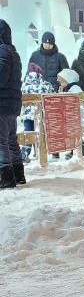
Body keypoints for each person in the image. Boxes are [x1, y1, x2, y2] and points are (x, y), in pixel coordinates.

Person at [0, 19, 24, 188]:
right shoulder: (13, 52)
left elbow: (1, 77)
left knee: (1, 141)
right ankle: (18, 173)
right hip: (12, 103)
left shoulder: (2, 51)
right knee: (10, 140)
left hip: (2, 103)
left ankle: (5, 177)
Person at [20, 62, 54, 162]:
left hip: (28, 115)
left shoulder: (24, 86)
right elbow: (52, 96)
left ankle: (25, 153)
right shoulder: (46, 85)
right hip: (42, 114)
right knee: (43, 132)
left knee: (28, 133)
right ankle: (48, 153)